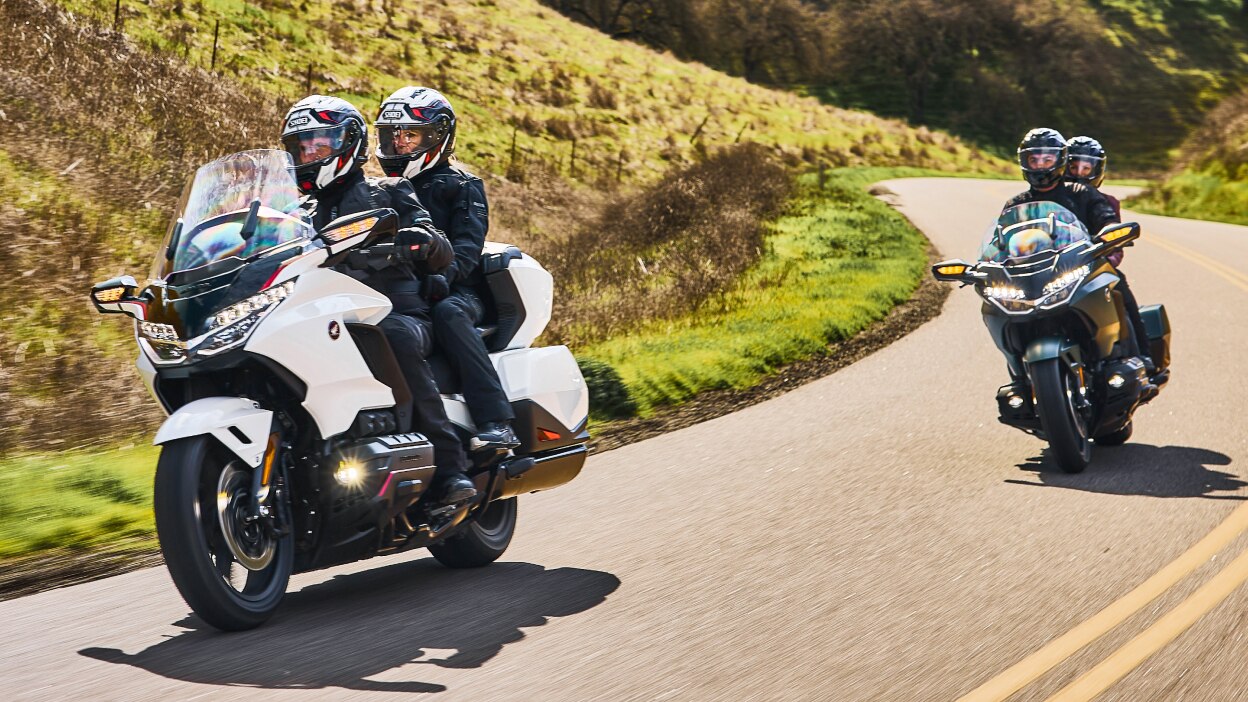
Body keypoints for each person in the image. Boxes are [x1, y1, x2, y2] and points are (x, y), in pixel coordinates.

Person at [280, 94, 476, 504]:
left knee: (391, 336)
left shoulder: (386, 191)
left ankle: (450, 468)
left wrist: (419, 240)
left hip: (396, 311)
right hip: (323, 316)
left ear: (348, 143)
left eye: (319, 144)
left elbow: (438, 243)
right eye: (301, 146)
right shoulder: (293, 213)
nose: (309, 153)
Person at [374, 87, 519, 453]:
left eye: (410, 134)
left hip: (461, 291)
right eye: (393, 135)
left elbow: (469, 248)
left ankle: (496, 422)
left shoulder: (463, 186)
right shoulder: (380, 189)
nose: (400, 143)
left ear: (438, 136)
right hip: (402, 290)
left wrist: (445, 276)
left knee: (448, 312)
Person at [1003, 128, 1154, 373]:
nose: (1040, 165)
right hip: (1035, 275)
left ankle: (1141, 355)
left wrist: (1110, 232)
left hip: (1082, 265)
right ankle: (1020, 373)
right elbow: (1001, 241)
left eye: (1047, 159)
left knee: (1117, 287)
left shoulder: (1082, 193)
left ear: (1059, 159)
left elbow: (1106, 218)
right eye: (1034, 160)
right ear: (1024, 162)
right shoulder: (1016, 204)